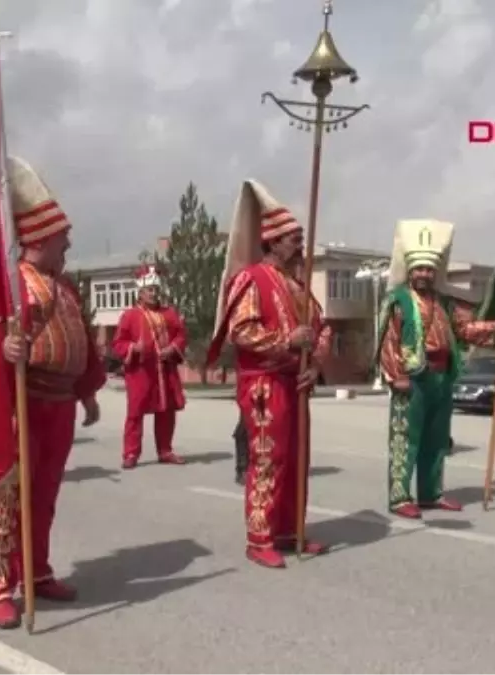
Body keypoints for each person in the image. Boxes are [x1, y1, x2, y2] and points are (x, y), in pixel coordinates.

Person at [0, 157, 106, 629]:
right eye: (63, 239)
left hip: (59, 405)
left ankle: (36, 573)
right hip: (20, 402)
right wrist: (2, 346)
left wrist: (88, 393)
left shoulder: (65, 289)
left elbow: (81, 341)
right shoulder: (8, 284)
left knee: (45, 497)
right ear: (39, 240)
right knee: (7, 498)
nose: (69, 246)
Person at [205, 179, 334, 569]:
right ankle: (259, 536)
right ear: (272, 241)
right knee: (268, 457)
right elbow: (241, 331)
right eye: (294, 238)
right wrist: (288, 340)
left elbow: (322, 328)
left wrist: (314, 363)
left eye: (300, 237)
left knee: (297, 459)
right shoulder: (252, 279)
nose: (300, 244)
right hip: (264, 383)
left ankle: (291, 530)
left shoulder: (299, 285)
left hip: (297, 382)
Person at [376, 219, 495, 519]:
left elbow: (464, 330)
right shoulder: (397, 300)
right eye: (419, 269)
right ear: (410, 271)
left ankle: (431, 492)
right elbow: (388, 339)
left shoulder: (445, 303)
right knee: (405, 439)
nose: (424, 274)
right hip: (411, 379)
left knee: (437, 439)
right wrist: (395, 375)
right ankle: (399, 496)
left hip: (441, 375)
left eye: (428, 269)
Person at [111, 265, 187, 469]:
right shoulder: (130, 316)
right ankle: (131, 453)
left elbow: (181, 335)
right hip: (141, 372)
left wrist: (172, 348)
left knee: (167, 411)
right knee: (135, 412)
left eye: (156, 289)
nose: (154, 293)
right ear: (140, 292)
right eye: (149, 290)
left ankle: (165, 450)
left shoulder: (169, 313)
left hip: (165, 370)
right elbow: (118, 343)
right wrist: (133, 348)